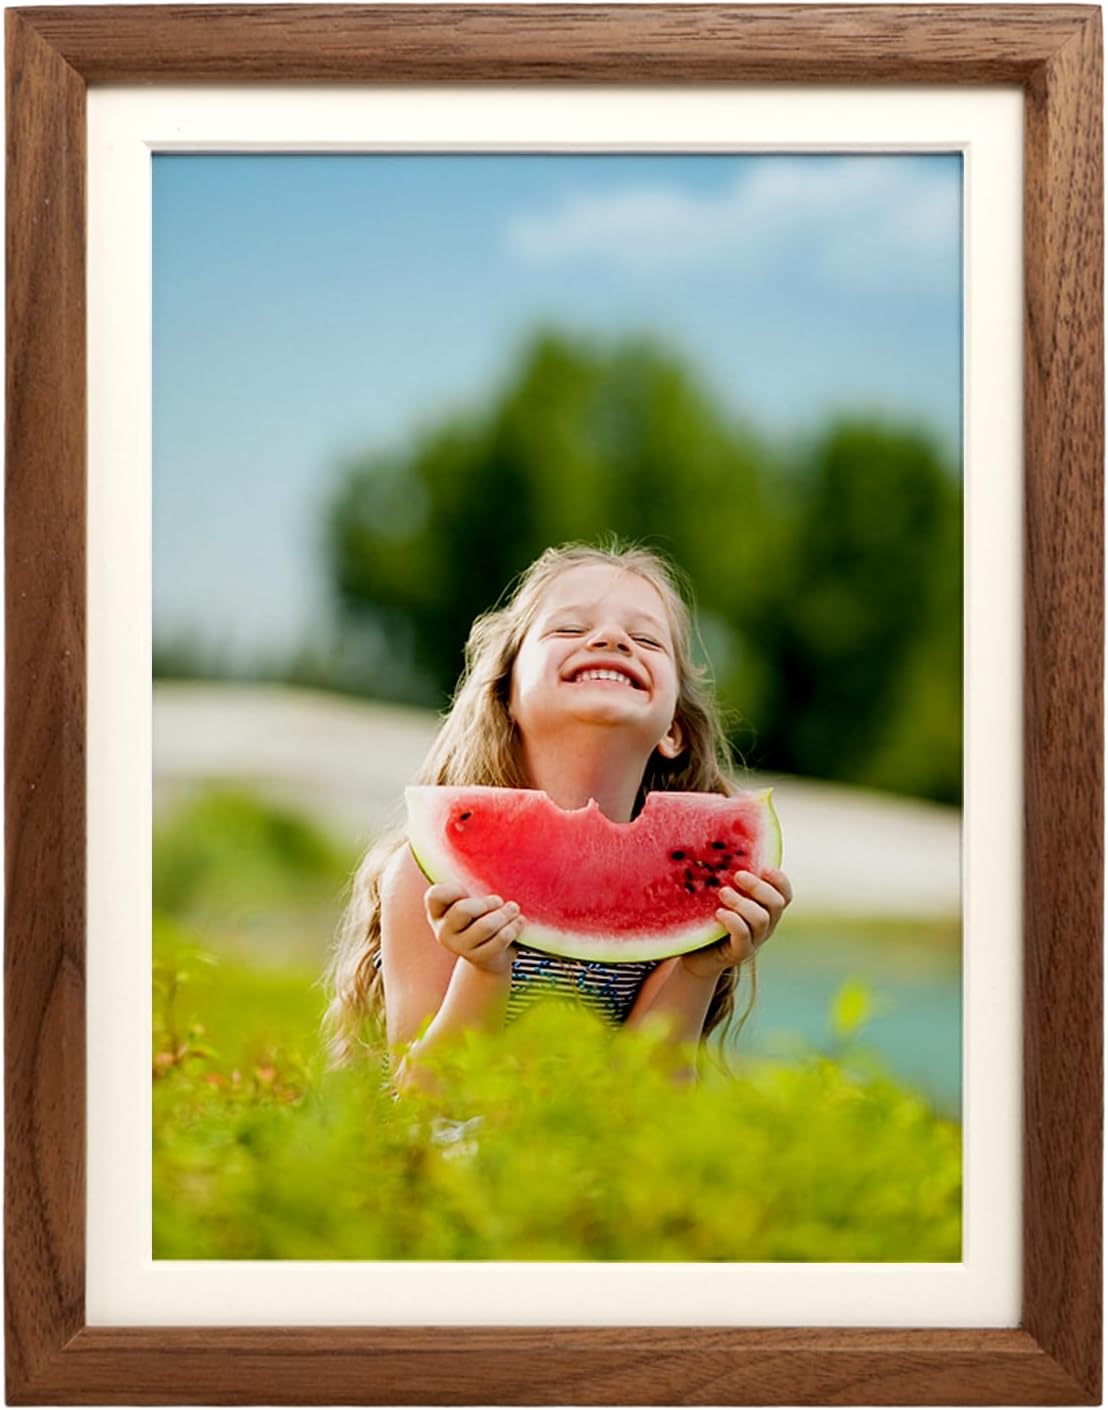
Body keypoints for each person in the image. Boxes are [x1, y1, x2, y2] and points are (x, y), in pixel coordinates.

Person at [323, 540, 792, 1087]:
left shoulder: (695, 892)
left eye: (645, 639)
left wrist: (700, 964)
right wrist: (484, 971)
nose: (612, 639)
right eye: (569, 629)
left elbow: (648, 1099)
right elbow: (423, 1100)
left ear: (673, 730)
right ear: (507, 697)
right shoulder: (428, 877)